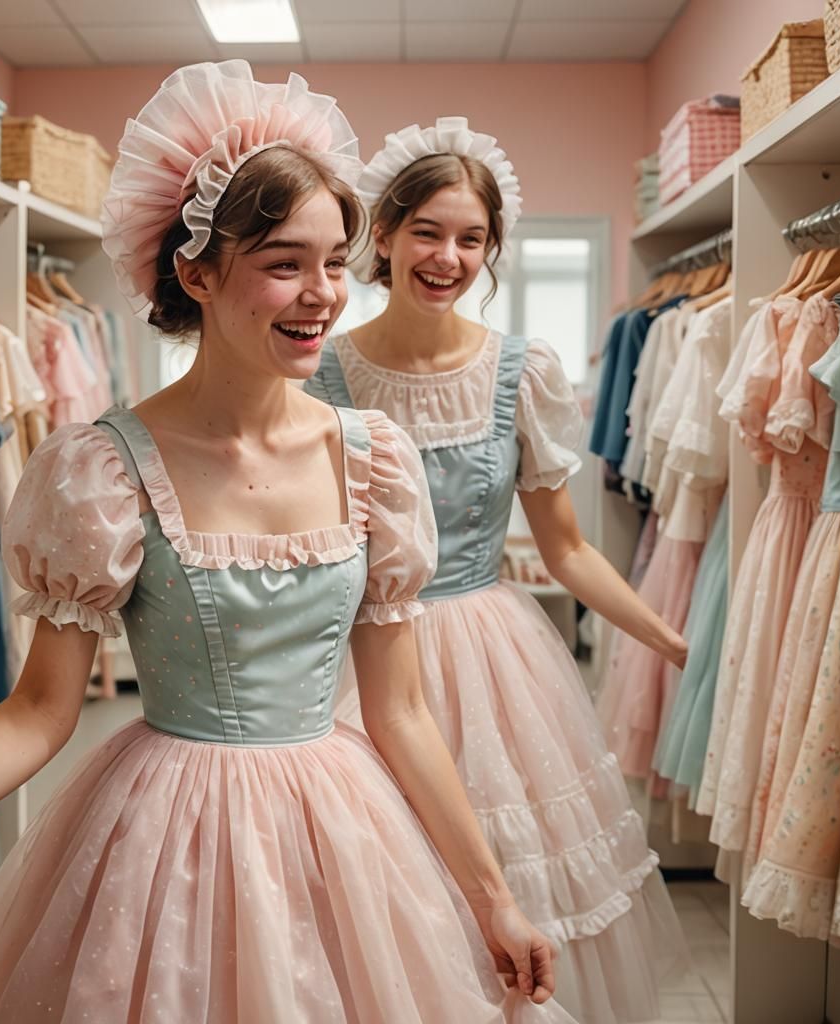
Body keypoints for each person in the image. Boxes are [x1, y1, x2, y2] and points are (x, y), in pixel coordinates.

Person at [0, 65, 577, 1023]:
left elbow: (405, 715)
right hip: (162, 845)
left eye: (335, 261)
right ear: (195, 271)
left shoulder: (373, 462)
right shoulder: (104, 469)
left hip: (339, 836)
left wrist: (494, 900)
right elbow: (40, 710)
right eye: (282, 262)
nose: (321, 296)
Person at [306, 117, 689, 1024]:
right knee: (374, 888)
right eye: (428, 232)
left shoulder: (523, 373)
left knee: (513, 882)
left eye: (471, 238)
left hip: (491, 658)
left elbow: (567, 549)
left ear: (491, 250)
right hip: (354, 656)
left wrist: (669, 639)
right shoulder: (319, 373)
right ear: (385, 237)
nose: (448, 256)